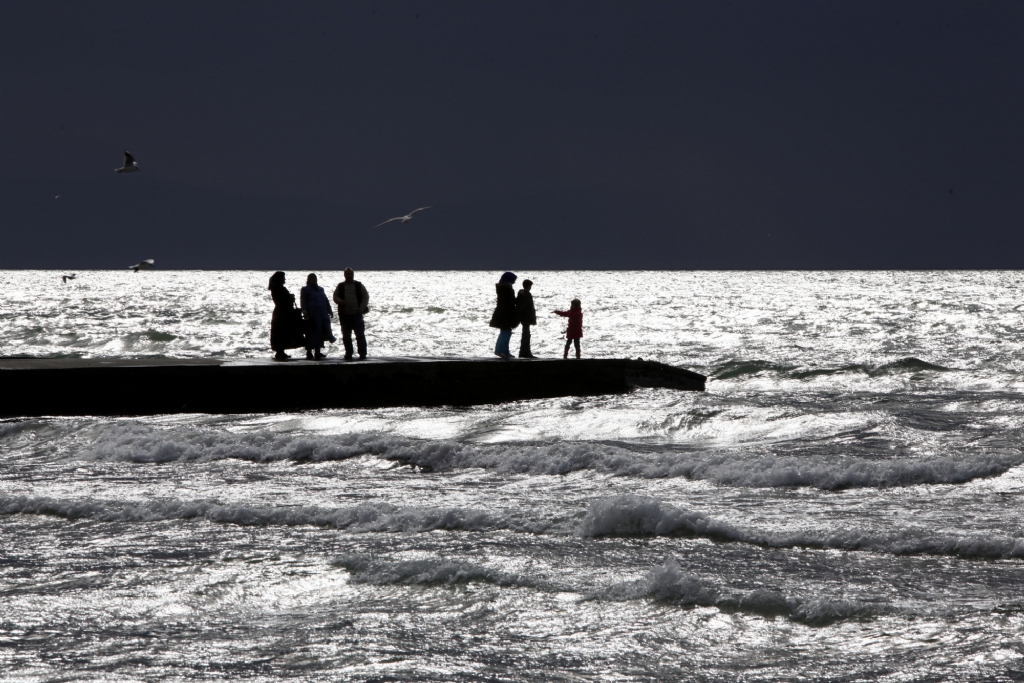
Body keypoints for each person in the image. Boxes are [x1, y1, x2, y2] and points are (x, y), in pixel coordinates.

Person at [332, 268, 370, 360]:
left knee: (360, 335)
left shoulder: (358, 285)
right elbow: (335, 296)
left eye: (350, 274)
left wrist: (362, 307)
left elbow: (366, 296)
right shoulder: (340, 286)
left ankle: (362, 353)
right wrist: (339, 301)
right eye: (347, 274)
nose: (349, 276)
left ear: (353, 274)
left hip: (357, 314)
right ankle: (348, 353)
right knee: (346, 337)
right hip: (344, 315)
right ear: (344, 275)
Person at [268, 271, 305, 361]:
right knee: (282, 333)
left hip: (280, 314)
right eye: (283, 278)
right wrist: (291, 297)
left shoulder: (275, 289)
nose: (285, 279)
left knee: (280, 333)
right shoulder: (280, 289)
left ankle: (280, 351)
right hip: (283, 314)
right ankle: (280, 351)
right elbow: (283, 300)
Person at [300, 273, 335, 360]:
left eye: (314, 278)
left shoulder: (321, 289)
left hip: (322, 314)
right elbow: (303, 301)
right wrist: (304, 311)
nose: (313, 279)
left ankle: (318, 352)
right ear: (308, 280)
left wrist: (329, 310)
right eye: (311, 278)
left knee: (320, 333)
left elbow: (326, 300)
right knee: (311, 334)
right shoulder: (305, 289)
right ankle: (309, 352)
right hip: (312, 315)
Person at [489, 271, 519, 359]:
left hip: (501, 313)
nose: (514, 282)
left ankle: (505, 351)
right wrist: (520, 296)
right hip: (506, 313)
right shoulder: (508, 289)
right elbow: (512, 302)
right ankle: (499, 350)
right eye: (513, 280)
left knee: (506, 332)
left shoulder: (501, 288)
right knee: (506, 332)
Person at [516, 279, 537, 358]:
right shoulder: (527, 294)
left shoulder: (521, 293)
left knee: (525, 334)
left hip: (523, 317)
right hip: (526, 318)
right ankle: (525, 352)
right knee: (526, 335)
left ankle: (523, 351)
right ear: (529, 286)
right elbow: (526, 307)